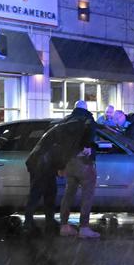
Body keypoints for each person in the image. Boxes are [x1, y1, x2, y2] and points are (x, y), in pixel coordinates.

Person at [24, 100, 96, 234]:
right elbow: (64, 150)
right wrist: (62, 166)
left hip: (42, 161)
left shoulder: (65, 124)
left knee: (49, 192)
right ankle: (28, 223)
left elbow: (59, 148)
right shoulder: (81, 124)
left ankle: (49, 221)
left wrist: (60, 167)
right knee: (37, 192)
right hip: (41, 162)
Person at [59, 102, 100, 239]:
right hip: (83, 161)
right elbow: (90, 135)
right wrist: (88, 146)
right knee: (87, 195)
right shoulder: (87, 119)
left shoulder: (67, 120)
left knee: (68, 194)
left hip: (69, 161)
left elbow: (60, 141)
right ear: (86, 108)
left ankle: (64, 226)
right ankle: (84, 227)